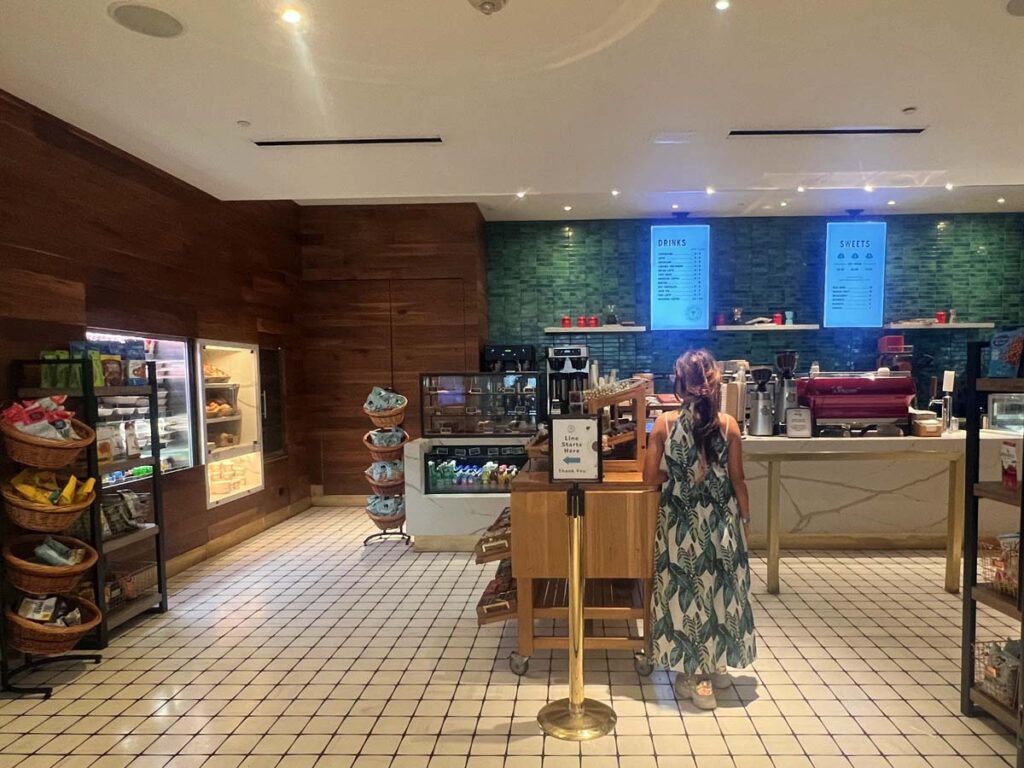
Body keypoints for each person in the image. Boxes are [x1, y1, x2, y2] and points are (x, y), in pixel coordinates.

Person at [643, 349, 756, 710]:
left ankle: (692, 674)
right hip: (722, 521)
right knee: (722, 589)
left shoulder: (663, 424)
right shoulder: (729, 425)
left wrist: (675, 478)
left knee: (685, 591)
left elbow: (649, 477)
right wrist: (747, 522)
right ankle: (717, 664)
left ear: (679, 385)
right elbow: (739, 481)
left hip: (679, 523)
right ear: (715, 383)